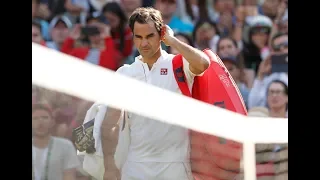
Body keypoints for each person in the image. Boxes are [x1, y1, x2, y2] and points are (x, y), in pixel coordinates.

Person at [101, 7, 210, 179]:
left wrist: (172, 41)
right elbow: (110, 123)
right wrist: (109, 165)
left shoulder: (178, 64)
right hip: (135, 166)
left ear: (161, 34)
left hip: (175, 166)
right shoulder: (125, 73)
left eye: (150, 36)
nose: (144, 43)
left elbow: (204, 64)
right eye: (139, 37)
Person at [32, 103, 80, 180]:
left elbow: (69, 176)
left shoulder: (65, 146)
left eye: (44, 117)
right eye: (35, 118)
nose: (40, 121)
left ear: (52, 122)